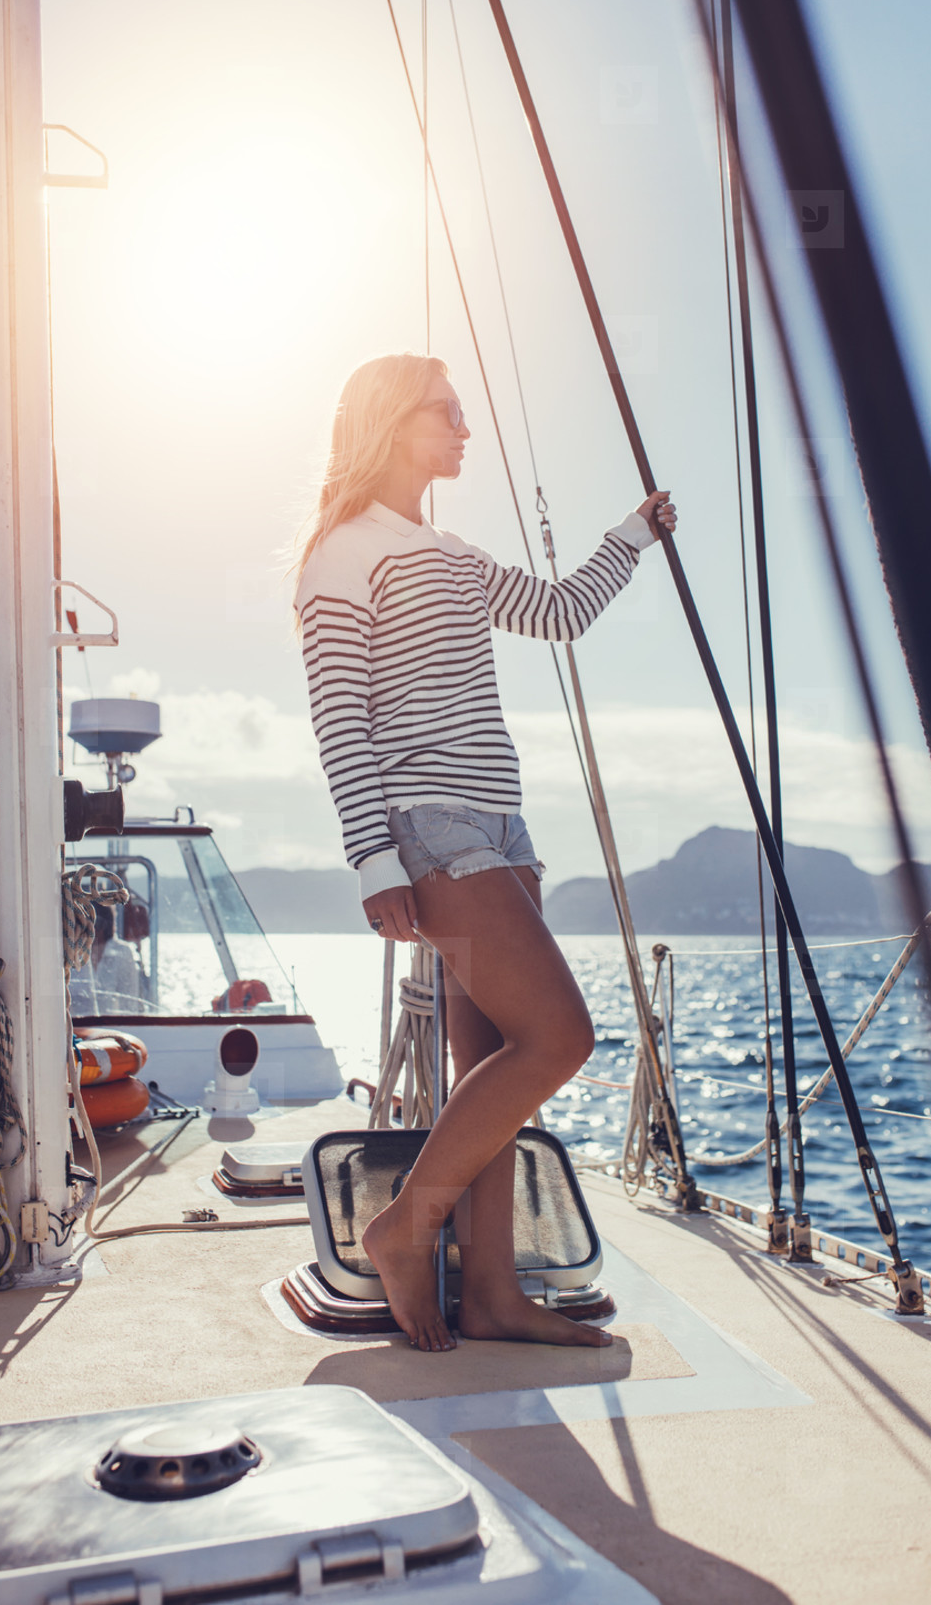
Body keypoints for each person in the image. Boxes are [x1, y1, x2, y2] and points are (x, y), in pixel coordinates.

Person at [294, 352, 676, 1353]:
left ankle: (497, 1295)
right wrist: (374, 860)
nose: (465, 429)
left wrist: (630, 535)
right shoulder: (343, 552)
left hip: (502, 830)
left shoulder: (451, 553)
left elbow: (556, 612)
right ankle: (403, 1225)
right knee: (557, 1039)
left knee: (493, 1069)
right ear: (389, 422)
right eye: (446, 413)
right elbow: (338, 717)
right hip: (431, 827)